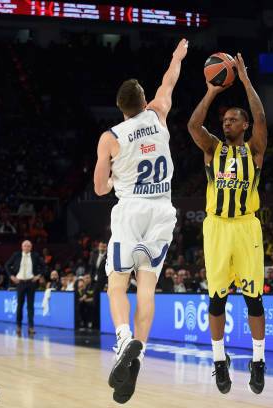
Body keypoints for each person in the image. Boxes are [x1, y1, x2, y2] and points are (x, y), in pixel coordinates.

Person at [93, 38, 188, 404]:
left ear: (120, 107)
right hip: (163, 209)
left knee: (117, 285)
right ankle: (139, 355)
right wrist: (177, 55)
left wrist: (115, 174)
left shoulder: (111, 137)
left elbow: (100, 189)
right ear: (144, 100)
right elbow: (170, 80)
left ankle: (122, 341)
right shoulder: (159, 113)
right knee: (146, 287)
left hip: (131, 209)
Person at [187, 53, 268, 394]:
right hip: (217, 227)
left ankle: (258, 361)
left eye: (234, 120)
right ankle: (219, 361)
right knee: (216, 299)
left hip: (246, 227)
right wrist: (212, 92)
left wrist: (246, 81)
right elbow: (193, 126)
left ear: (246, 125)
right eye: (225, 120)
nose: (227, 123)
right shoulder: (213, 149)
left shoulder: (255, 150)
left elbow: (262, 115)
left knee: (254, 300)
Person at [5, 240, 46, 336]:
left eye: (28, 246)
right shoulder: (16, 255)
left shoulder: (35, 256)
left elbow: (44, 266)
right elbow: (7, 265)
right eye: (25, 246)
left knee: (30, 306)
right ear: (22, 247)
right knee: (20, 305)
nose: (27, 247)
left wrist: (38, 276)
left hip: (31, 282)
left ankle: (31, 327)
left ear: (31, 247)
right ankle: (18, 326)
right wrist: (11, 276)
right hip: (20, 283)